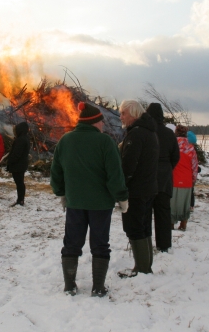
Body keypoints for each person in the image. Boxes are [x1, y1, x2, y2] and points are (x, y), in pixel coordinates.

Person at [51, 102, 128, 297]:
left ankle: (69, 285)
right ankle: (98, 287)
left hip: (74, 202)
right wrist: (121, 197)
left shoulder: (65, 141)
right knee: (100, 244)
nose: (103, 124)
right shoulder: (106, 142)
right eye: (101, 121)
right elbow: (115, 174)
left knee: (72, 243)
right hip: (101, 204)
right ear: (94, 122)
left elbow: (56, 172)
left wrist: (61, 192)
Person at [116, 100, 159, 279]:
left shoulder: (136, 135)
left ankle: (142, 269)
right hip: (149, 188)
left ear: (133, 113)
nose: (121, 117)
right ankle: (145, 266)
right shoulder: (150, 132)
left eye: (123, 113)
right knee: (144, 226)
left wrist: (121, 186)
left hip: (136, 190)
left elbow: (128, 165)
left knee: (135, 227)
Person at [145, 103, 179, 253]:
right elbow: (176, 156)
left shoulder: (145, 132)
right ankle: (164, 245)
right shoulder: (169, 133)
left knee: (145, 213)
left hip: (147, 176)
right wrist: (167, 167)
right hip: (164, 178)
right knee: (163, 213)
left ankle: (144, 244)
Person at [171, 125, 197, 230]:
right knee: (185, 203)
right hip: (186, 180)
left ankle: (171, 223)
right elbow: (194, 166)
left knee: (172, 203)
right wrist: (193, 179)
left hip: (173, 178)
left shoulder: (172, 146)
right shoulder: (191, 148)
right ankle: (183, 223)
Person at [6, 121, 31, 206]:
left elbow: (16, 154)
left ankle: (20, 200)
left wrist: (10, 161)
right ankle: (20, 199)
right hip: (21, 164)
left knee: (19, 183)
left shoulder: (21, 140)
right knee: (20, 183)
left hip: (18, 165)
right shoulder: (25, 138)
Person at [187, 130, 199, 212]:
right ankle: (191, 205)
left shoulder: (188, 150)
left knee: (190, 190)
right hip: (189, 173)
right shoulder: (191, 151)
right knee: (190, 190)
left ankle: (191, 205)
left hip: (188, 173)